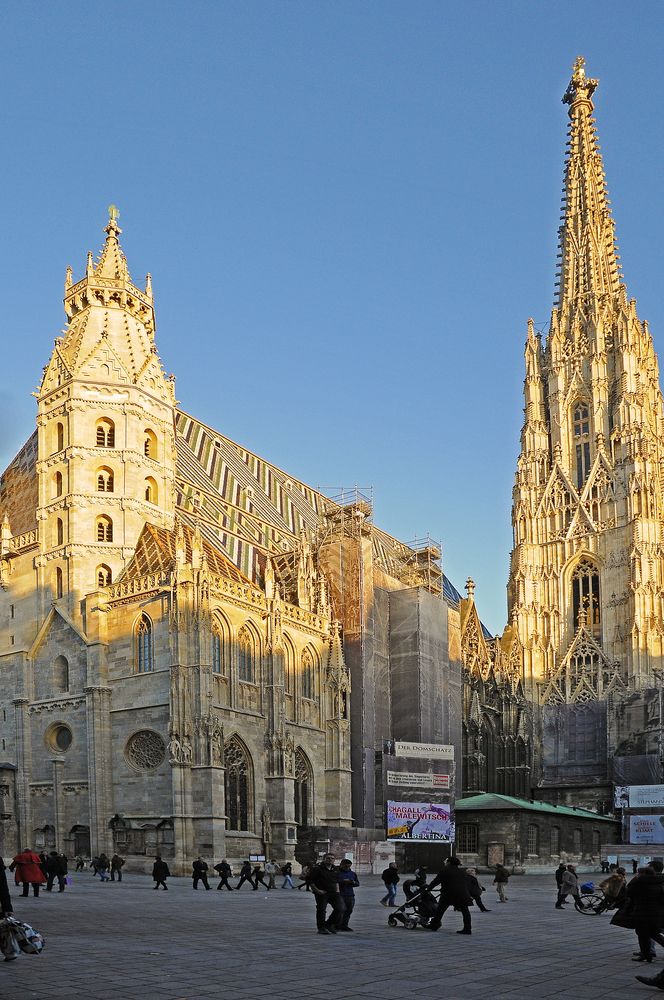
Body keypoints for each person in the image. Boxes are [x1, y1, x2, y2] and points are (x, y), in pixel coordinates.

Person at [426, 856, 473, 934]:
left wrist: (428, 889)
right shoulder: (461, 871)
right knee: (465, 911)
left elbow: (436, 881)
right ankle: (467, 928)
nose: (445, 862)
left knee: (440, 910)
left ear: (449, 862)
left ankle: (434, 925)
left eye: (446, 861)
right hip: (462, 893)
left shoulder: (445, 870)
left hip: (448, 894)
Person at [309, 853, 345, 935]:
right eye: (328, 858)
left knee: (341, 908)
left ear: (334, 860)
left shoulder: (335, 869)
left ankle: (329, 924)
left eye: (332, 858)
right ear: (324, 859)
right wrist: (317, 890)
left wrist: (338, 891)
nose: (330, 860)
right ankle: (321, 928)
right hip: (322, 893)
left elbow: (336, 881)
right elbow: (310, 881)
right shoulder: (317, 868)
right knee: (321, 910)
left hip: (334, 893)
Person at [337, 858, 359, 931]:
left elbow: (357, 883)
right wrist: (342, 881)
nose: (347, 868)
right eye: (346, 866)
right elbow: (333, 882)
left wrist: (353, 883)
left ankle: (344, 925)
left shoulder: (352, 873)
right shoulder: (336, 873)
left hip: (350, 894)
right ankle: (337, 925)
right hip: (339, 894)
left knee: (349, 910)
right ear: (341, 865)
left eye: (349, 867)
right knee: (341, 909)